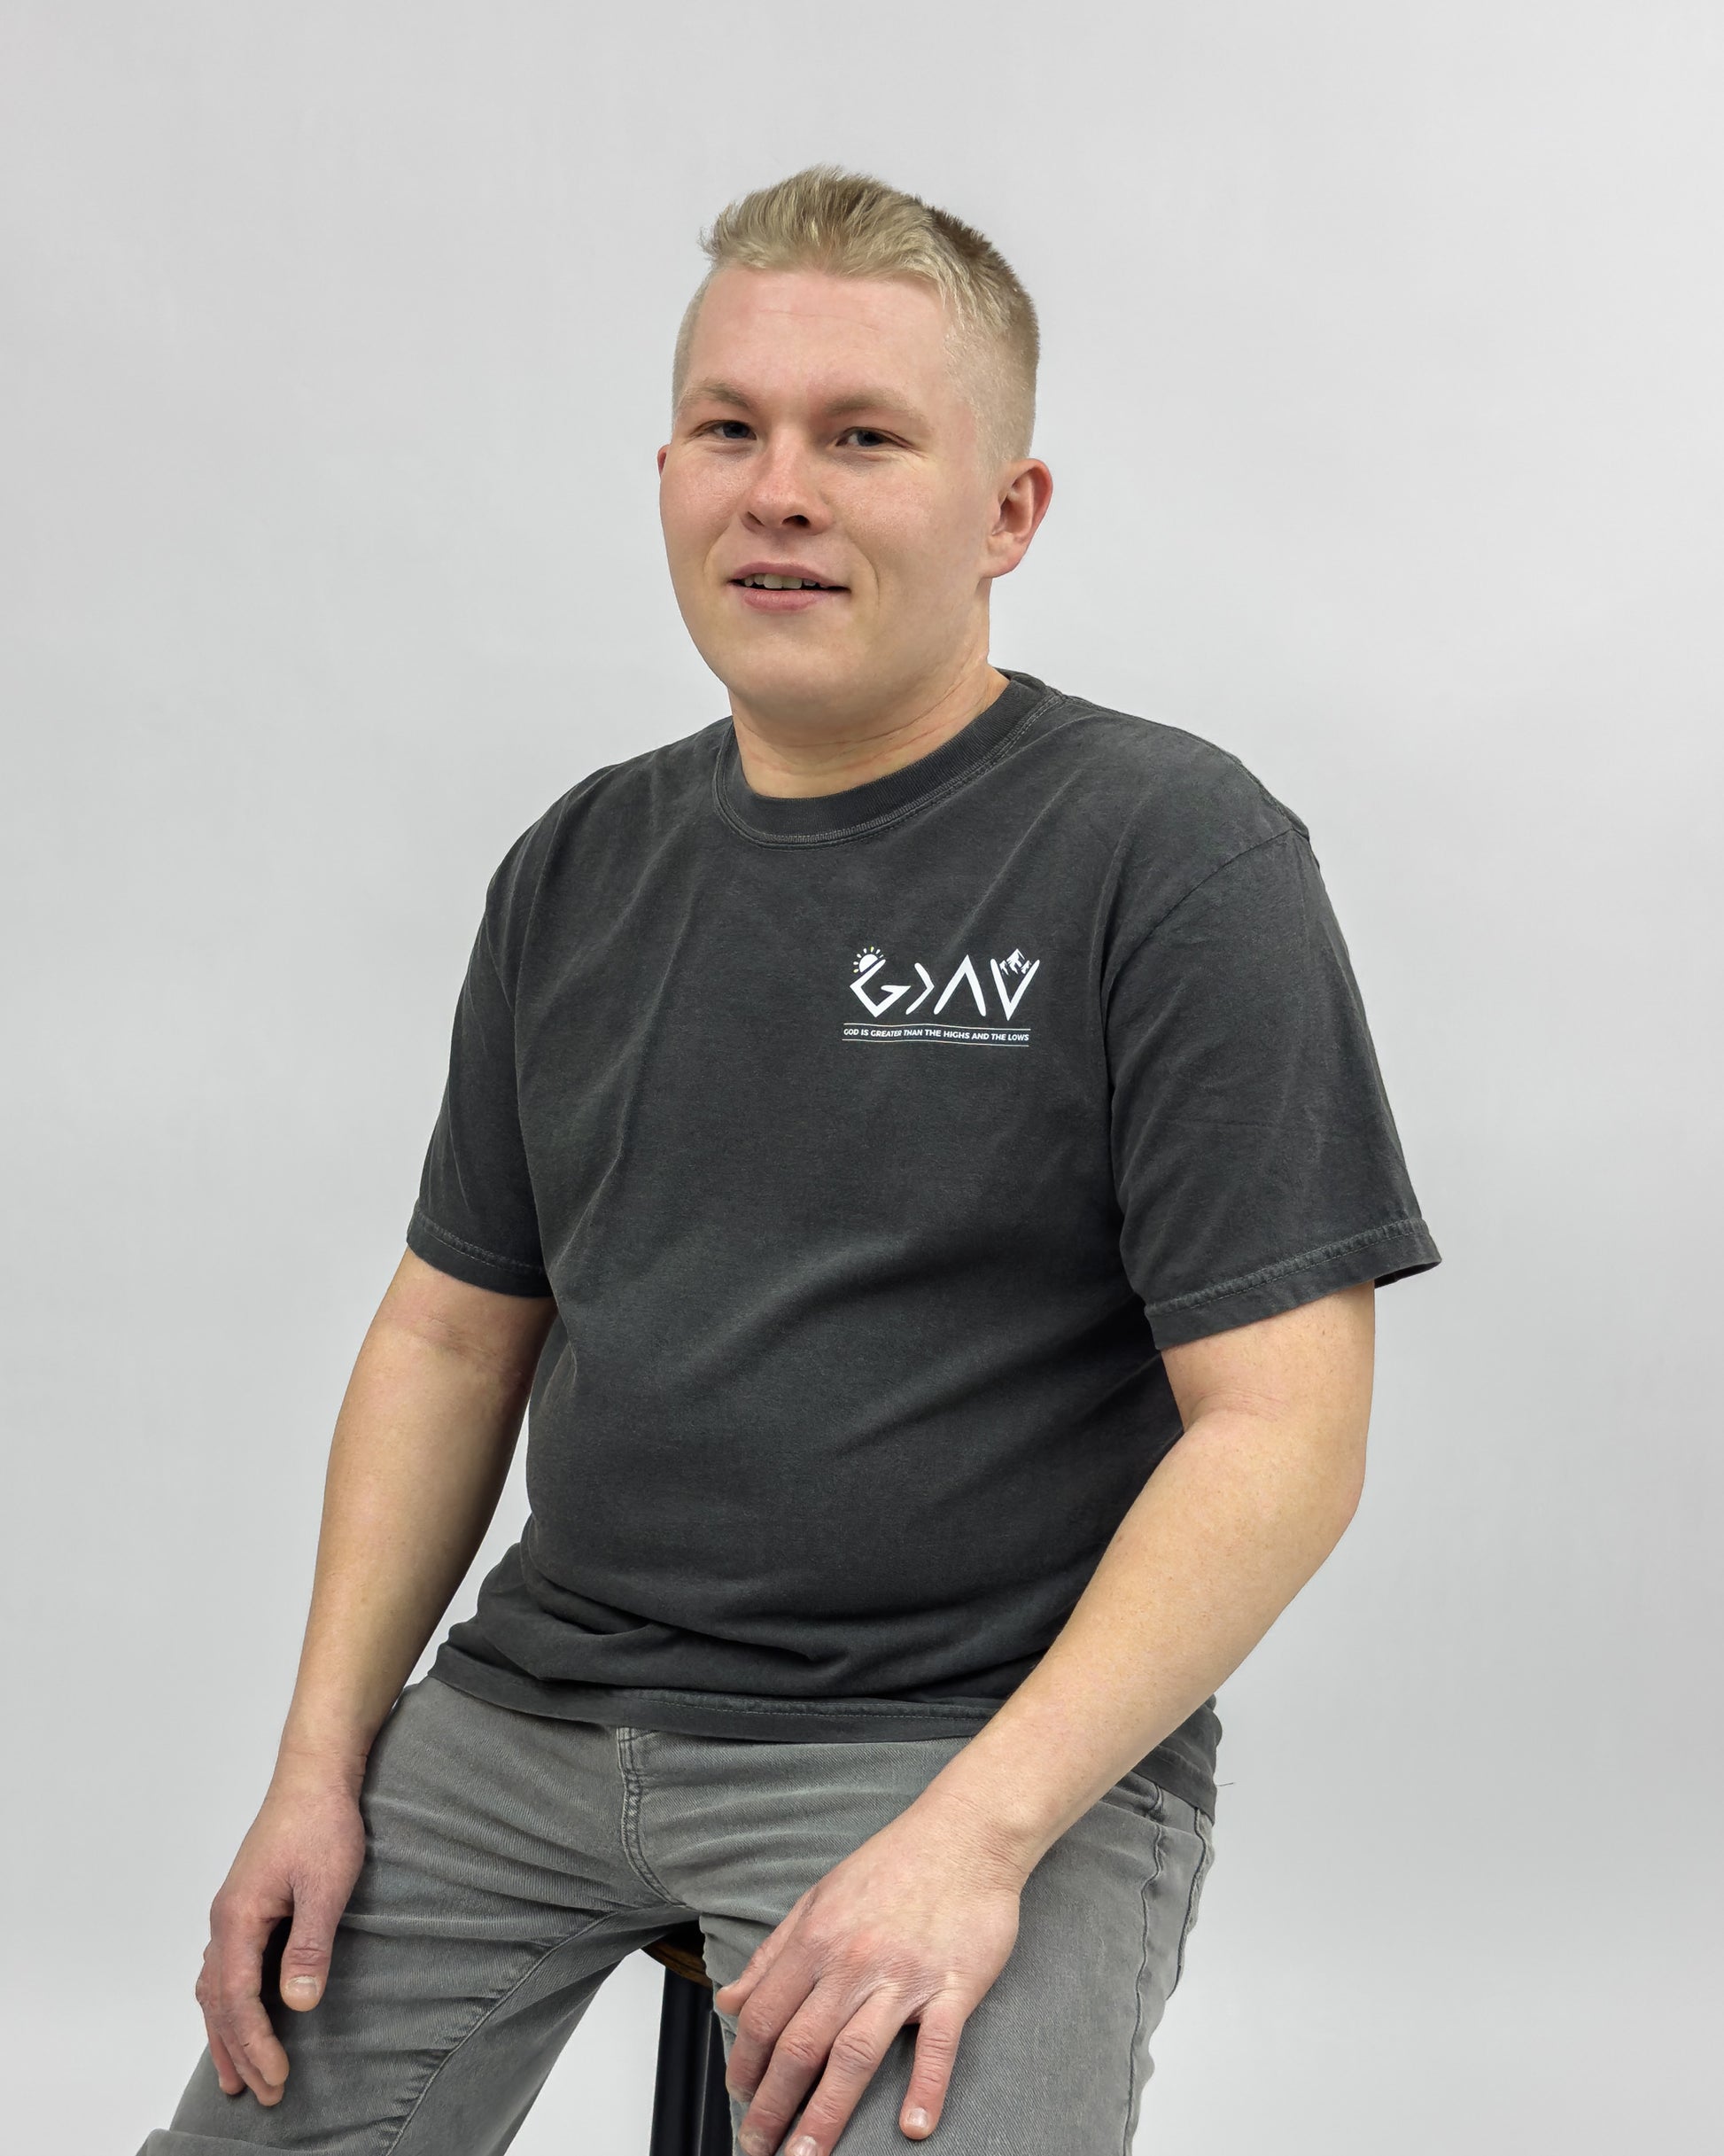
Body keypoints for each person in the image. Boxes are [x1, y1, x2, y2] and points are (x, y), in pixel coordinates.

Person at [140, 163, 1441, 2156]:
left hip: (958, 1734)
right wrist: (321, 1760)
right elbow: (450, 1335)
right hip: (533, 1712)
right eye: (730, 429)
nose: (780, 492)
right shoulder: (578, 861)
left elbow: (1281, 1431)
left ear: (1007, 512)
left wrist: (974, 1837)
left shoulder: (1169, 853)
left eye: (861, 438)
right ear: (666, 472)